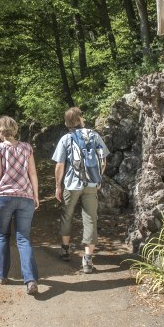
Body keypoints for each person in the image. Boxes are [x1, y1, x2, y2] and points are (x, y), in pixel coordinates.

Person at [52, 107, 109, 274]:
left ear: (67, 122)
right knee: (91, 218)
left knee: (67, 215)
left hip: (71, 184)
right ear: (81, 119)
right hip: (91, 184)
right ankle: (88, 259)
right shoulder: (94, 135)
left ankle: (65, 250)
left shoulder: (66, 139)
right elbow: (103, 160)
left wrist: (58, 186)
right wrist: (96, 176)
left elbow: (60, 165)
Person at [0, 116, 40, 295]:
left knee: (3, 235)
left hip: (5, 197)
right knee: (24, 238)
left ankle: (2, 275)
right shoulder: (27, 148)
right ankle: (31, 279)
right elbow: (33, 173)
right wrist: (36, 195)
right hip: (25, 197)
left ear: (3, 130)